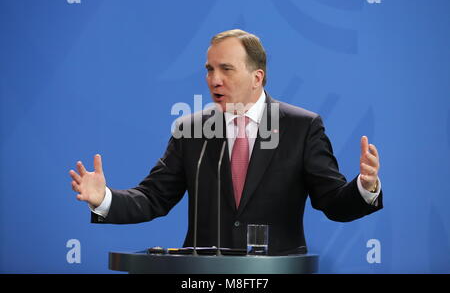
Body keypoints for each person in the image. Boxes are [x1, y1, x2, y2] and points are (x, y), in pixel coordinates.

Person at [69, 29, 382, 255]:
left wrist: (365, 188)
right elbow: (154, 198)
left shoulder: (301, 127)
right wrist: (104, 199)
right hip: (203, 276)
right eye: (209, 70)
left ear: (257, 77)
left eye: (226, 70)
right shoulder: (190, 131)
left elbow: (332, 202)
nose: (213, 80)